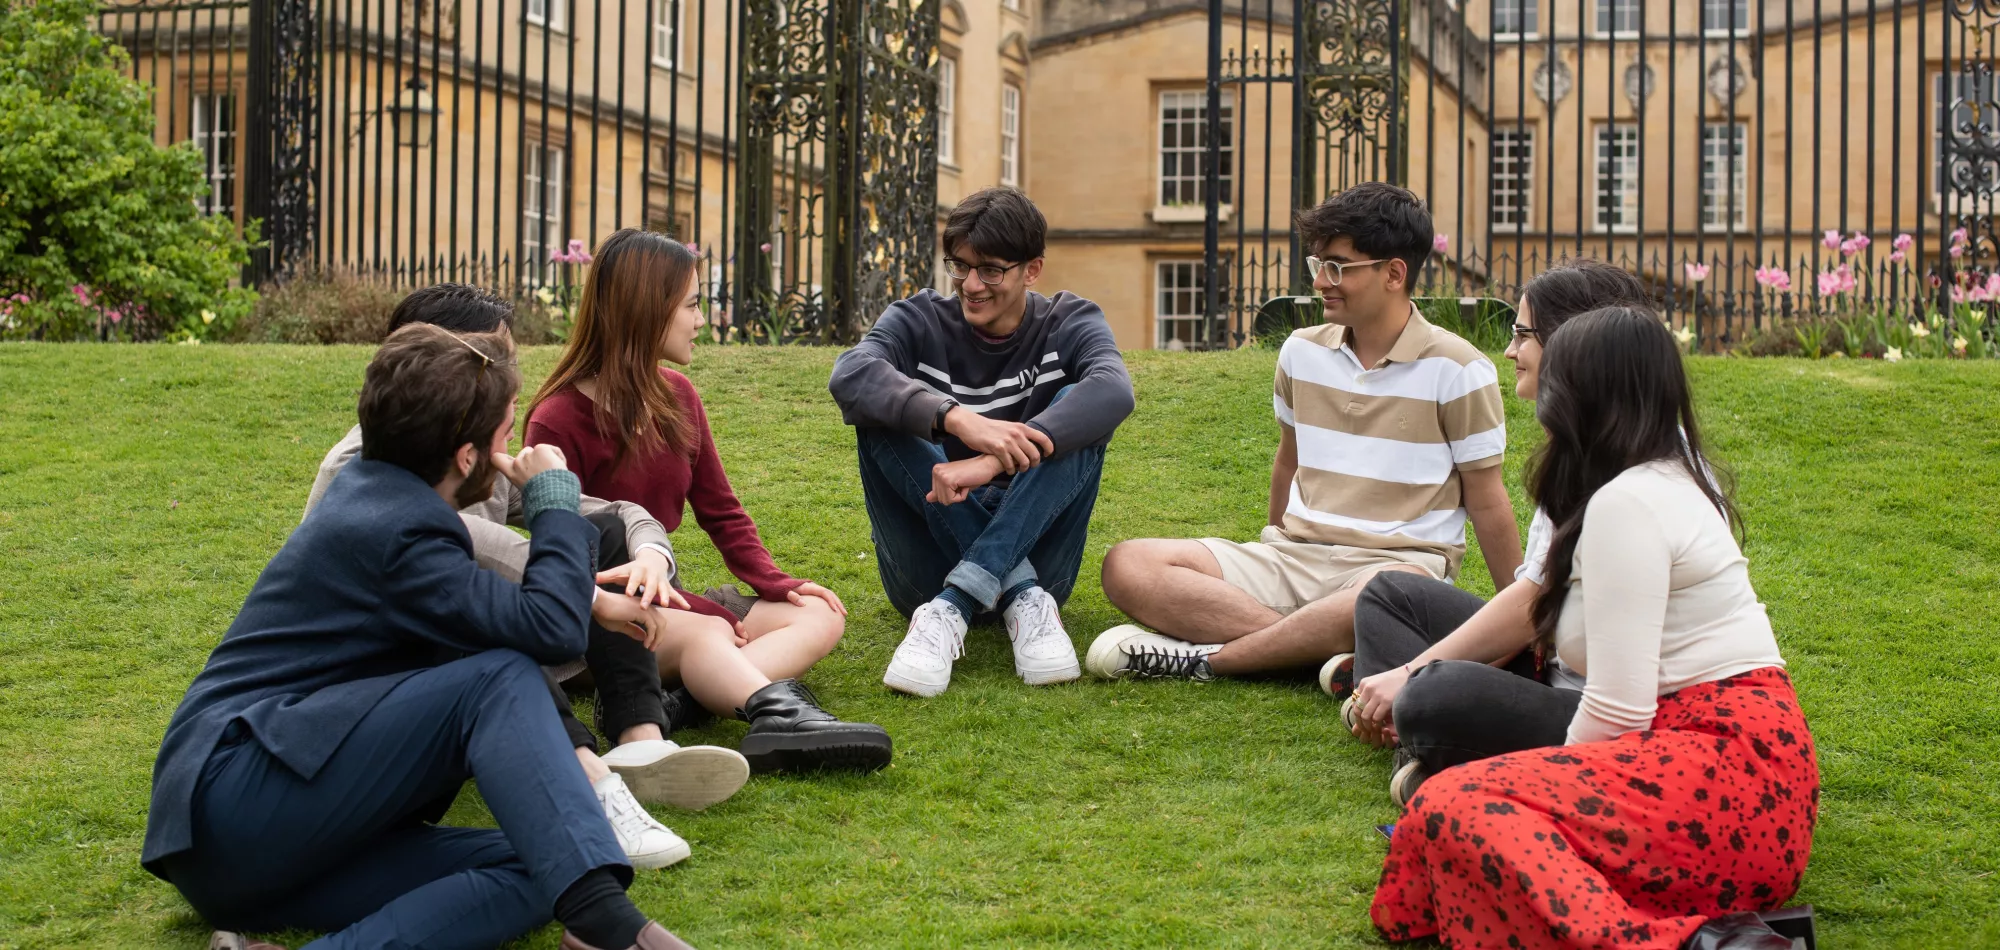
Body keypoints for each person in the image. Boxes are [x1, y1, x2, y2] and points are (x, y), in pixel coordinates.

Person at [145, 325, 696, 950]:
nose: (510, 445)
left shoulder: (383, 502)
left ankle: (589, 908)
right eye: (503, 430)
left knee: (546, 862)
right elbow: (550, 628)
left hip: (265, 853)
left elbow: (531, 618)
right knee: (498, 678)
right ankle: (613, 928)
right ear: (467, 456)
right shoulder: (395, 529)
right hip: (235, 804)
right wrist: (551, 495)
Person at [1370, 307, 1816, 950]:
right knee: (1450, 810)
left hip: (1722, 774)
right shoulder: (1659, 482)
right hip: (1739, 779)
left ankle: (1688, 944)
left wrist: (1556, 794)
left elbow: (1616, 712)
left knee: (1455, 808)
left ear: (1584, 394)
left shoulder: (1629, 503)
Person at [305, 284, 750, 869]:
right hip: (391, 667)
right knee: (478, 630)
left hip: (467, 630)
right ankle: (589, 782)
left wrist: (650, 559)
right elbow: (473, 556)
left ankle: (641, 744)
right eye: (502, 359)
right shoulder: (368, 463)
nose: (514, 376)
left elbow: (614, 512)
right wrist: (593, 597)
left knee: (600, 533)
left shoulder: (471, 443)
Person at [1087, 182, 1519, 684]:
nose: (1320, 282)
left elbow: (1488, 502)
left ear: (1394, 273)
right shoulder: (1300, 351)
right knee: (1128, 565)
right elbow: (1288, 460)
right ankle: (1315, 652)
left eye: (1337, 267)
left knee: (1374, 600)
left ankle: (1207, 661)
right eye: (1319, 266)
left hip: (1394, 571)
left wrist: (1520, 621)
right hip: (1292, 557)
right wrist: (1277, 543)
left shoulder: (1460, 369)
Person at [525, 228, 892, 773]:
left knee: (819, 613)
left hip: (670, 604)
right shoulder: (556, 418)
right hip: (600, 630)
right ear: (647, 309)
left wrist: (775, 583)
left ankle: (687, 702)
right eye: (693, 305)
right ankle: (779, 720)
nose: (703, 320)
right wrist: (707, 611)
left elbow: (721, 510)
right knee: (714, 629)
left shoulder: (679, 397)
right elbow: (561, 558)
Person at [1341, 259, 1654, 806]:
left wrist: (1413, 673)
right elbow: (1533, 601)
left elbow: (1533, 605)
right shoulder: (1576, 440)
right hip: (1545, 662)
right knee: (1388, 595)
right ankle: (1413, 729)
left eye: (1522, 335)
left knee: (1433, 691)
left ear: (1576, 340)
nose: (1509, 351)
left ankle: (1421, 739)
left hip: (1593, 709)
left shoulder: (1640, 472)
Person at [827, 186, 1135, 697]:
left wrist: (991, 462)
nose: (971, 284)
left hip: (1043, 557)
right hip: (926, 566)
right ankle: (1011, 590)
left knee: (1082, 413)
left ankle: (955, 605)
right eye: (960, 266)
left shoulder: (1071, 320)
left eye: (990, 269)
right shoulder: (917, 318)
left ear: (1031, 270)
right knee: (878, 410)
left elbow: (1114, 390)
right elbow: (851, 374)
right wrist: (960, 422)